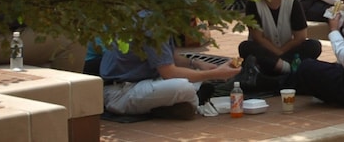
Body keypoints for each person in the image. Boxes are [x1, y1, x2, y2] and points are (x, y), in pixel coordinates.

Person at [99, 17, 240, 119]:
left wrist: (198, 64)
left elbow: (169, 58)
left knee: (193, 76)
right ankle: (192, 102)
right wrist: (215, 74)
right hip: (121, 93)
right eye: (191, 20)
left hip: (142, 83)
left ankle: (175, 104)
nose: (193, 25)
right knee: (183, 86)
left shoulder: (159, 21)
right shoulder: (154, 27)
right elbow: (169, 73)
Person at [238, 0, 322, 76]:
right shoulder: (253, 4)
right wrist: (277, 52)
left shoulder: (292, 2)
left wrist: (281, 52)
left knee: (314, 45)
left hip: (286, 51)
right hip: (266, 51)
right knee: (245, 47)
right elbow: (258, 38)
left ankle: (277, 66)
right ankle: (287, 67)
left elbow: (300, 37)